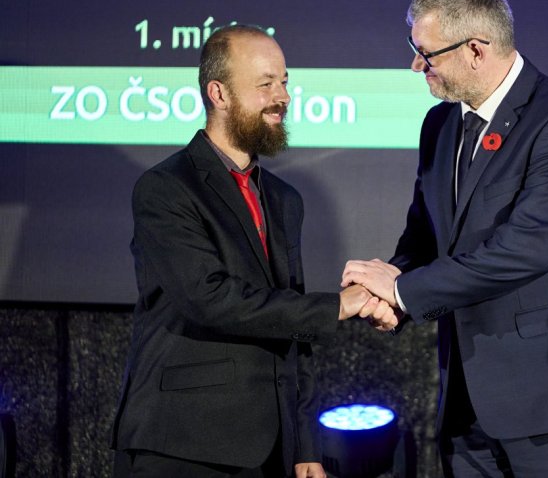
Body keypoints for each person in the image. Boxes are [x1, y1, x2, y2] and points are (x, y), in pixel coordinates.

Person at [342, 0, 548, 477]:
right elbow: (425, 235)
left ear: (476, 50)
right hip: (466, 401)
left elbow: (526, 248)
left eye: (427, 54)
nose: (416, 65)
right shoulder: (440, 124)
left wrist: (404, 292)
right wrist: (389, 289)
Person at [111, 24, 397, 478]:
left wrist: (306, 445)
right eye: (265, 84)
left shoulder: (285, 200)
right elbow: (209, 298)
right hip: (181, 445)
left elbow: (292, 334)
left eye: (284, 82)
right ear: (219, 94)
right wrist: (336, 306)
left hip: (270, 452)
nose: (282, 96)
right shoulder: (165, 189)